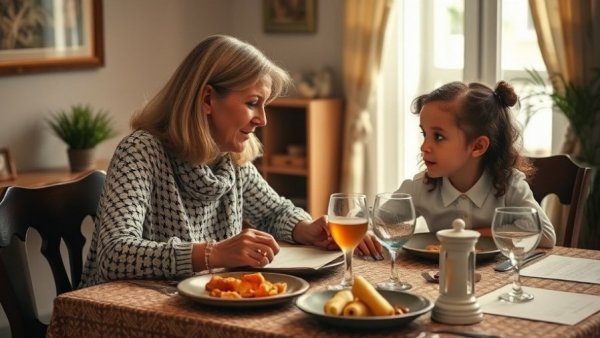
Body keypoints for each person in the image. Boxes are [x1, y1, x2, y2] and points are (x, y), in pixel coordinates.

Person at [80, 35, 380, 288]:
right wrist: (213, 254)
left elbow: (273, 211)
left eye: (264, 105)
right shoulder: (140, 151)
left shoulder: (229, 156)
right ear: (208, 99)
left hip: (201, 305)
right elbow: (114, 254)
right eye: (252, 103)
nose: (262, 119)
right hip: (123, 312)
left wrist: (305, 228)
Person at [396, 81, 556, 248]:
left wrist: (472, 235)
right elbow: (379, 219)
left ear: (478, 146)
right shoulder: (421, 186)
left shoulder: (510, 185)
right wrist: (369, 234)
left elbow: (546, 235)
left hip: (498, 274)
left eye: (438, 137)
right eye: (424, 134)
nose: (424, 147)